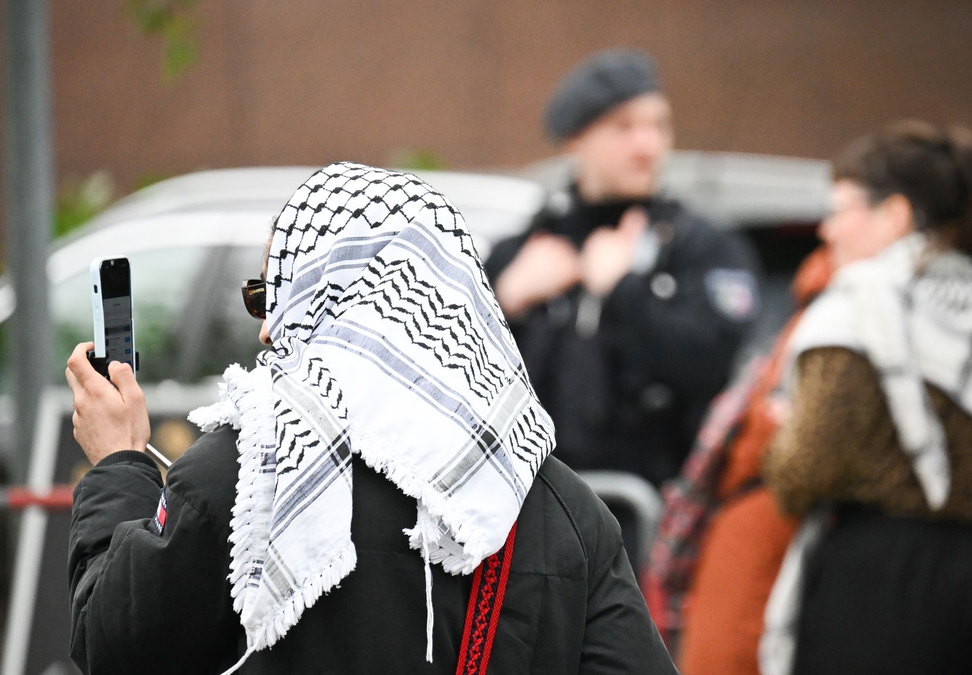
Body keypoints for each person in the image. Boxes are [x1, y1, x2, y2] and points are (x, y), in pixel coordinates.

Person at [67, 163, 678, 675]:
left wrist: (120, 465)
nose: (265, 326)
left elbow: (115, 648)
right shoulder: (558, 508)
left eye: (272, 294)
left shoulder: (248, 474)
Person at [763, 122, 972, 675]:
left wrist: (781, 434)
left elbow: (803, 472)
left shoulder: (851, 314)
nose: (826, 230)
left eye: (839, 209)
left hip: (891, 591)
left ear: (894, 215)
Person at [484, 49, 760, 487]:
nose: (647, 145)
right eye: (624, 127)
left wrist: (623, 289)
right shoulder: (519, 254)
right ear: (574, 139)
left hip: (651, 520)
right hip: (529, 508)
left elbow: (710, 361)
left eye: (658, 126)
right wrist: (506, 302)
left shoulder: (700, 247)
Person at [642, 247, 831, 672]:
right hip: (760, 525)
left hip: (759, 525)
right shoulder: (825, 313)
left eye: (843, 209)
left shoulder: (829, 313)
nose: (828, 227)